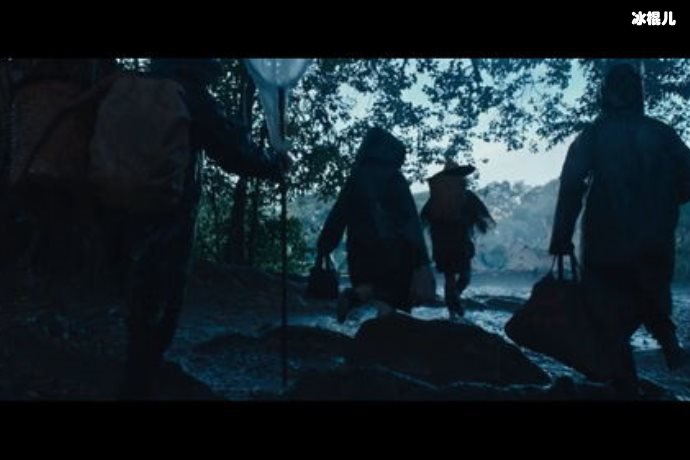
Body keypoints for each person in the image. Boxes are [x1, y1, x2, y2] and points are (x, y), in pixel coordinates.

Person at [114, 58, 290, 398]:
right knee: (161, 303)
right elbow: (234, 151)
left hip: (124, 208)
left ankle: (138, 375)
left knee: (140, 302)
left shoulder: (137, 86)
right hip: (169, 215)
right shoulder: (189, 95)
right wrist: (274, 165)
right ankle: (139, 384)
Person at [549, 62, 690, 396]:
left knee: (607, 317)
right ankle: (668, 340)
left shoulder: (594, 135)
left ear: (605, 94)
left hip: (605, 240)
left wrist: (561, 237)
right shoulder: (663, 134)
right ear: (639, 94)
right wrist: (666, 202)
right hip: (655, 239)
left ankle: (625, 386)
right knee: (651, 294)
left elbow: (571, 187)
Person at [316, 126, 431, 322]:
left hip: (360, 251)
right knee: (394, 295)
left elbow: (338, 214)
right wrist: (421, 260)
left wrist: (325, 245)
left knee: (371, 289)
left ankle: (355, 297)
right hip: (394, 251)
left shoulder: (355, 178)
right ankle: (382, 324)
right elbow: (409, 221)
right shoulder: (394, 179)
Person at [420, 159, 494, 319]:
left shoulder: (436, 198)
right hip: (460, 243)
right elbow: (481, 217)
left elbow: (424, 218)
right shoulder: (466, 195)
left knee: (449, 278)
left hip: (441, 244)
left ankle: (452, 310)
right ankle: (455, 302)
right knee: (465, 277)